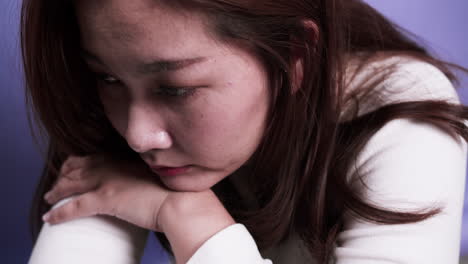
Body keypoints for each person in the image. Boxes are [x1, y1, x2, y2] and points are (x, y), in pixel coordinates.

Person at [22, 0, 468, 263]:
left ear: (296, 56)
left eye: (176, 89)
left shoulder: (401, 113)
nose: (138, 136)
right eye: (108, 78)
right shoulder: (121, 103)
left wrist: (192, 222)